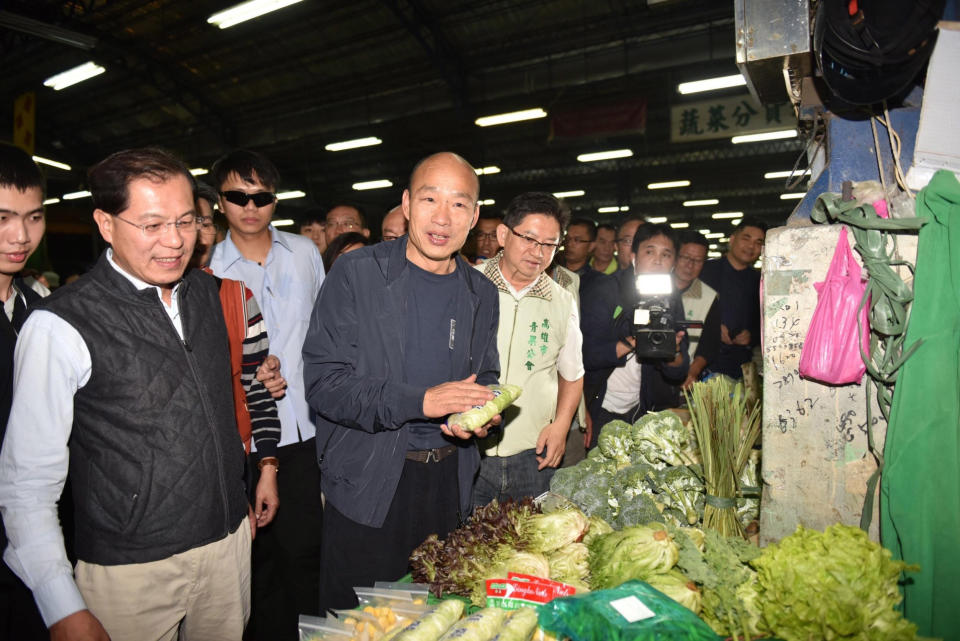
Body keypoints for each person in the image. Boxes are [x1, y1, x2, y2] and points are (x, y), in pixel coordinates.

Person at [0, 148, 252, 641]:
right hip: (132, 573)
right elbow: (28, 485)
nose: (175, 241)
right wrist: (61, 606)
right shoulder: (61, 323)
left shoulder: (205, 295)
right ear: (105, 223)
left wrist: (239, 505)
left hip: (227, 551)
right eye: (152, 225)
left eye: (185, 221)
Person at [302, 152, 500, 612]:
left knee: (438, 614)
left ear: (473, 216)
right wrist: (423, 401)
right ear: (408, 204)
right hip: (370, 480)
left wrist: (478, 413)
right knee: (360, 620)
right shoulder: (357, 275)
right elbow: (326, 383)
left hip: (448, 485)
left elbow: (485, 373)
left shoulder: (480, 292)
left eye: (458, 204)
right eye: (430, 198)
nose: (441, 217)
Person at [207, 150, 325, 641]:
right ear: (220, 202)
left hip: (306, 426)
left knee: (305, 549)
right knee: (253, 561)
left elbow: (327, 333)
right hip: (242, 435)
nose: (250, 206)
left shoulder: (304, 254)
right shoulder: (208, 269)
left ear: (275, 200)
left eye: (261, 197)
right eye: (238, 196)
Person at [472, 192, 584, 506]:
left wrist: (561, 426)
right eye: (530, 239)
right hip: (470, 452)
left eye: (550, 244)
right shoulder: (468, 286)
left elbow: (572, 374)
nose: (539, 252)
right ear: (504, 235)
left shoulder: (562, 300)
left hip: (532, 453)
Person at [192, 182, 284, 531]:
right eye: (185, 221)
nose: (194, 232)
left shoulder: (237, 298)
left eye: (202, 221)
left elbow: (256, 390)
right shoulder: (143, 304)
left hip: (234, 466)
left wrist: (267, 467)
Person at [580, 223, 689, 447]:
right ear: (633, 256)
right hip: (601, 405)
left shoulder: (672, 297)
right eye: (650, 251)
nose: (658, 260)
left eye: (666, 254)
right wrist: (633, 342)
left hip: (643, 408)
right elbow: (586, 355)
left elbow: (679, 370)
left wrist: (673, 349)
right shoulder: (606, 290)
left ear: (673, 264)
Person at [0, 144, 48, 641]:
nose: (20, 237)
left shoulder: (41, 313)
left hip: (38, 544)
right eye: (3, 218)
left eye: (32, 218)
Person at [698, 217, 766, 380]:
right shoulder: (705, 271)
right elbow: (686, 309)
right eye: (746, 238)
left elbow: (764, 321)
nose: (751, 246)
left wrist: (752, 336)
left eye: (758, 242)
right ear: (732, 239)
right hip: (703, 362)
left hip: (741, 366)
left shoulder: (761, 282)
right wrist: (712, 327)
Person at [672, 231, 721, 389]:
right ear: (674, 255)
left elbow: (710, 343)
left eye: (698, 260)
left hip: (684, 382)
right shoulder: (651, 287)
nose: (690, 265)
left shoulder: (709, 297)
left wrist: (692, 372)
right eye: (685, 257)